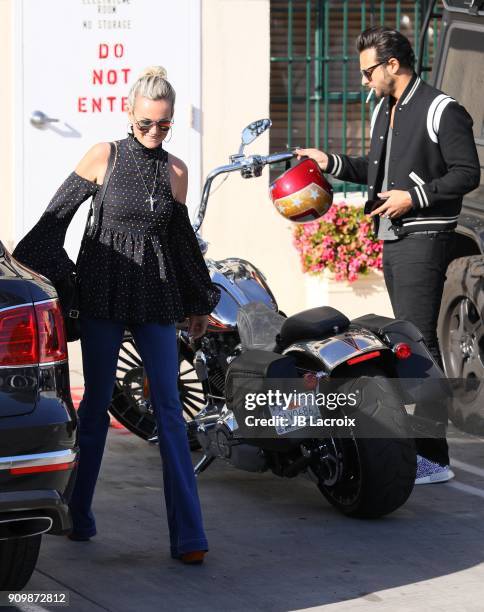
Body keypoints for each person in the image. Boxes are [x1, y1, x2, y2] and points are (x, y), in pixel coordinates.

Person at [13, 66, 220, 563]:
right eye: (147, 123)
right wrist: (72, 284)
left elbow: (180, 241)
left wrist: (197, 303)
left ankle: (189, 536)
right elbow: (48, 227)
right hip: (104, 295)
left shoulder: (174, 171)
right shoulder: (103, 156)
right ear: (129, 114)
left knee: (170, 412)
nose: (154, 133)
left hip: (156, 298)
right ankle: (78, 514)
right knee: (95, 410)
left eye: (164, 125)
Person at [295, 27, 480, 485]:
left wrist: (413, 198)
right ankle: (428, 454)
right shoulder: (386, 109)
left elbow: (467, 173)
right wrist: (330, 161)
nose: (363, 81)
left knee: (417, 347)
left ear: (392, 65)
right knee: (412, 342)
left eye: (367, 71)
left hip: (424, 235)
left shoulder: (441, 109)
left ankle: (433, 458)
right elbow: (374, 173)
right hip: (394, 237)